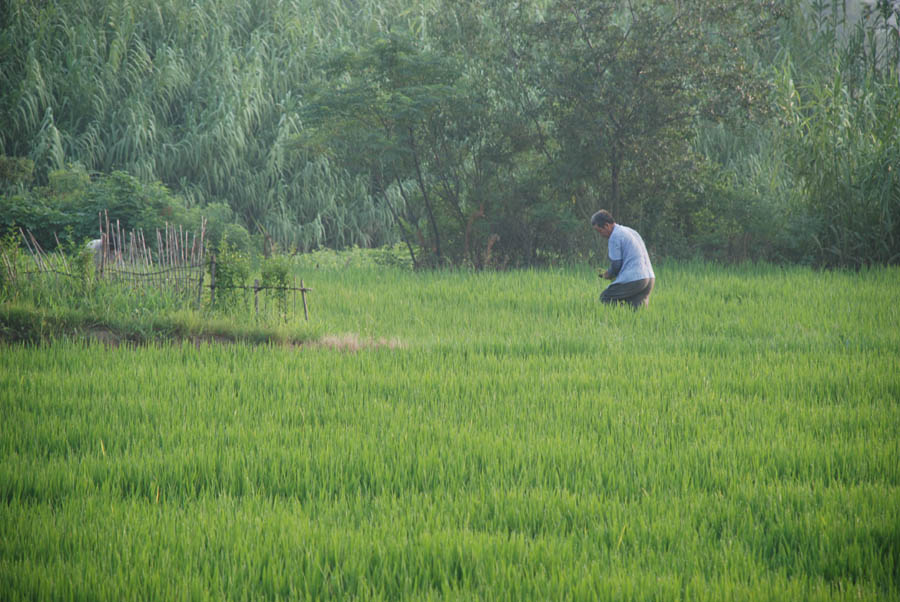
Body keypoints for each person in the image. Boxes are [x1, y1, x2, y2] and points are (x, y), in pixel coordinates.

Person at [591, 210, 655, 309]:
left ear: (607, 225)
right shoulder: (630, 231)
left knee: (606, 298)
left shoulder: (614, 236)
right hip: (649, 279)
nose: (601, 235)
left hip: (634, 278)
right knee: (635, 311)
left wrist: (608, 274)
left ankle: (614, 320)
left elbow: (616, 264)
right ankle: (626, 320)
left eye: (600, 231)